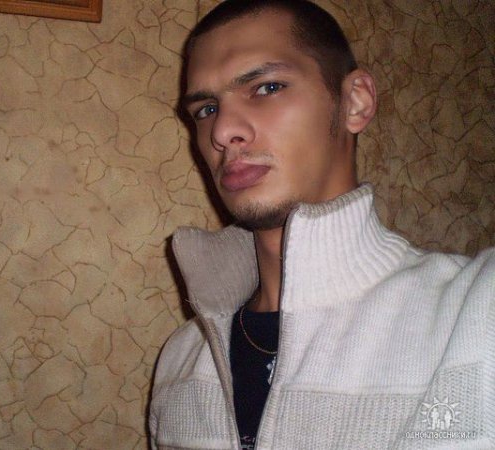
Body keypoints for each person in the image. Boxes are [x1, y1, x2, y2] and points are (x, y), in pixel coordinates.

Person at [149, 0, 495, 449]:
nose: (222, 131)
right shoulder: (180, 360)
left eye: (267, 87)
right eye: (206, 110)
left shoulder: (476, 313)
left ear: (355, 102)